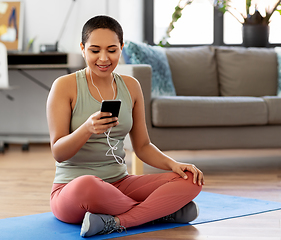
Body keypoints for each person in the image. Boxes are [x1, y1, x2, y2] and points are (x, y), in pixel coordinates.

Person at [46, 15, 204, 238]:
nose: (103, 58)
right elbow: (58, 152)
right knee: (88, 185)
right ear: (82, 49)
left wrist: (173, 164)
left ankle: (118, 221)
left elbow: (143, 146)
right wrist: (86, 129)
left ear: (121, 48)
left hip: (120, 184)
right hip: (74, 189)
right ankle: (160, 212)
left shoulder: (131, 86)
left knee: (190, 180)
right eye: (94, 50)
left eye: (112, 50)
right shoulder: (64, 86)